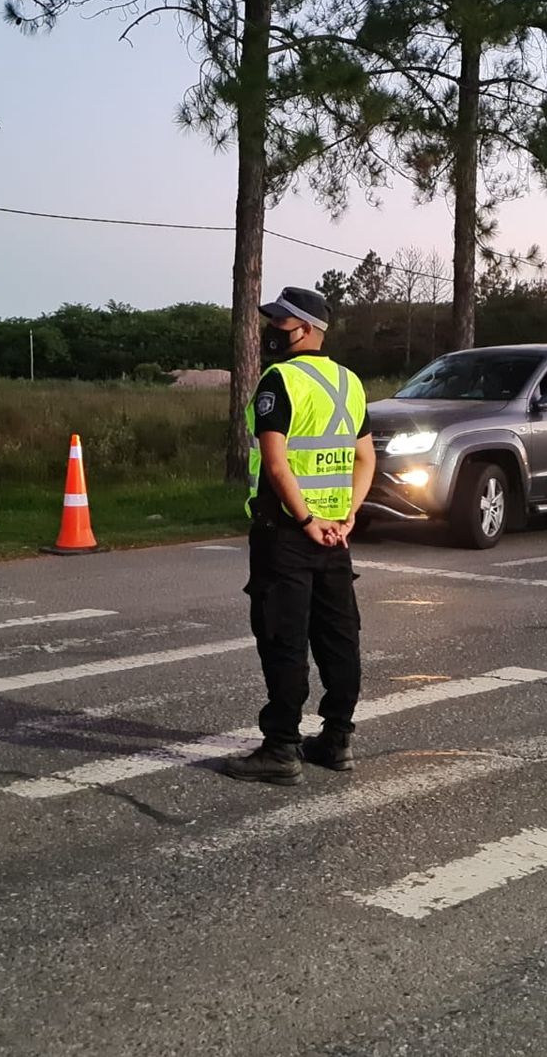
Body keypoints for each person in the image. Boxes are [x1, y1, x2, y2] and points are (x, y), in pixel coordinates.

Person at [223, 287, 376, 786]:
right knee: (338, 637)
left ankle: (281, 748)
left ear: (307, 329)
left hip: (288, 532)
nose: (272, 332)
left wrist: (307, 520)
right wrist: (348, 517)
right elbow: (366, 458)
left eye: (280, 324)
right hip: (337, 534)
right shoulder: (349, 382)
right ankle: (337, 740)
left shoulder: (279, 380)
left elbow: (275, 461)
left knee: (283, 637)